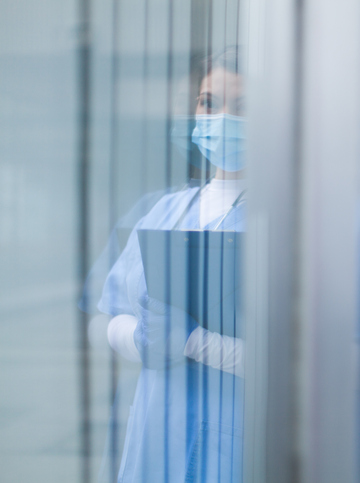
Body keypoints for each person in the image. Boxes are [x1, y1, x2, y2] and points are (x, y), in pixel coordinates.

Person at [98, 49, 246, 483]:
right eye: (209, 102)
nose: (221, 118)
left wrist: (193, 341)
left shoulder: (286, 221)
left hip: (240, 442)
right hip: (156, 436)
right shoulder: (164, 211)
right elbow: (110, 319)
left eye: (243, 108)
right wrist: (141, 338)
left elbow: (296, 358)